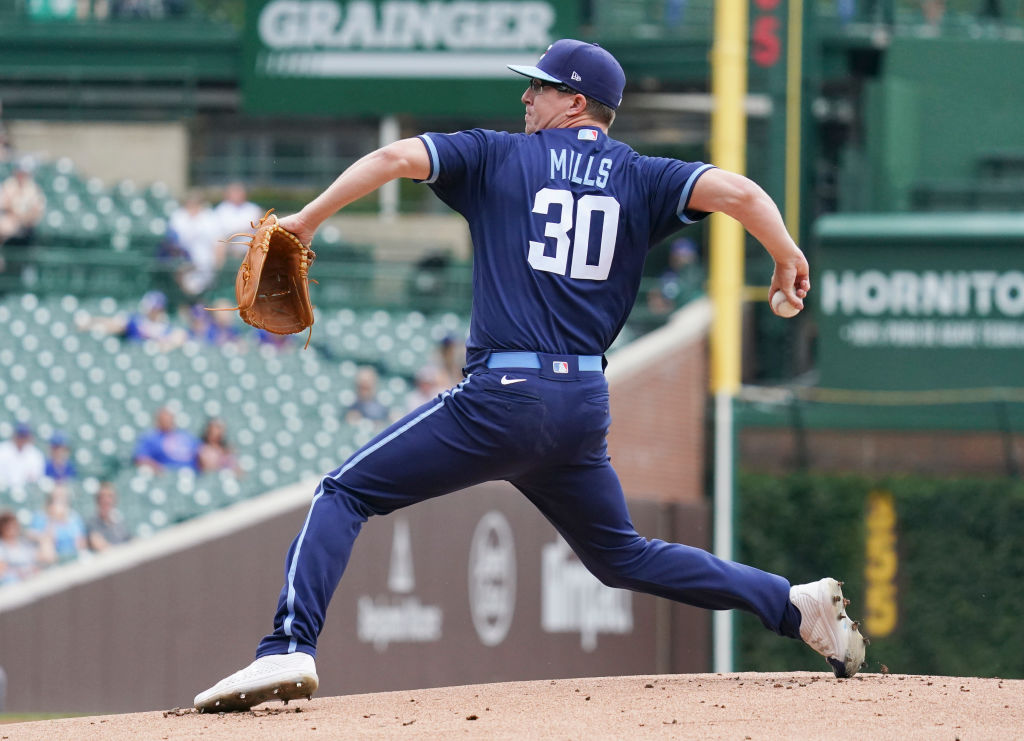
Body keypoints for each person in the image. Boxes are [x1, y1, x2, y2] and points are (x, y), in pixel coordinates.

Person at [194, 39, 864, 713]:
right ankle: (792, 604)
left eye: (539, 87)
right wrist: (785, 255)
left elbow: (397, 156)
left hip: (503, 399)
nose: (526, 97)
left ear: (575, 103)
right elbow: (741, 192)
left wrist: (307, 219)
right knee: (620, 555)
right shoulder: (642, 175)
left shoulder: (498, 154)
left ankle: (287, 644)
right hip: (579, 406)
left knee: (342, 493)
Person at [167, 190, 224, 299]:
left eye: (196, 202)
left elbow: (219, 244)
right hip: (182, 265)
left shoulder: (210, 217)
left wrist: (217, 267)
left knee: (203, 293)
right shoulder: (178, 216)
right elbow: (171, 244)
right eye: (190, 202)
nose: (192, 204)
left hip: (206, 266)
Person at [26, 482, 87, 564]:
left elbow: (81, 542)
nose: (60, 501)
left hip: (73, 554)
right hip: (50, 556)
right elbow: (36, 536)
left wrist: (64, 520)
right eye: (56, 498)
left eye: (63, 498)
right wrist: (52, 519)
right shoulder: (40, 516)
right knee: (46, 544)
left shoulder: (74, 517)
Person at [132, 406, 200, 472]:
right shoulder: (150, 438)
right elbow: (141, 459)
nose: (167, 421)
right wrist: (159, 469)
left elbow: (201, 450)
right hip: (166, 475)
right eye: (164, 418)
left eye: (169, 418)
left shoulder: (185, 436)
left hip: (191, 473)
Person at [0, 157, 46, 247]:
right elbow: (4, 205)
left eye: (24, 173)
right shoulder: (9, 185)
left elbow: (37, 211)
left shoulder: (34, 188)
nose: (21, 175)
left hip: (27, 226)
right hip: (10, 221)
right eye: (20, 172)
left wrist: (24, 217)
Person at [213, 182, 263, 256]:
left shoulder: (254, 209)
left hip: (250, 247)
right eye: (234, 192)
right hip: (228, 247)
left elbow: (258, 227)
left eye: (239, 192)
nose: (237, 195)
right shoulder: (220, 210)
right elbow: (220, 232)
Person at [0, 422, 46, 497]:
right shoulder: (3, 450)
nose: (22, 439)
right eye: (20, 435)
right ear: (14, 435)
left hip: (27, 493)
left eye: (24, 436)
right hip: (4, 491)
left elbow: (37, 478)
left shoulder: (35, 455)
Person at [85, 481, 131, 552]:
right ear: (97, 500)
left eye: (110, 496)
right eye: (103, 496)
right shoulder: (92, 523)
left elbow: (129, 539)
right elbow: (100, 546)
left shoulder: (119, 520)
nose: (106, 500)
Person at [0, 510, 42, 585]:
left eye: (14, 525)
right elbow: (2, 572)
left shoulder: (23, 543)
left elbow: (44, 558)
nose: (11, 529)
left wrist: (41, 539)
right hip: (13, 585)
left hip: (31, 580)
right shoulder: (2, 547)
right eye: (8, 527)